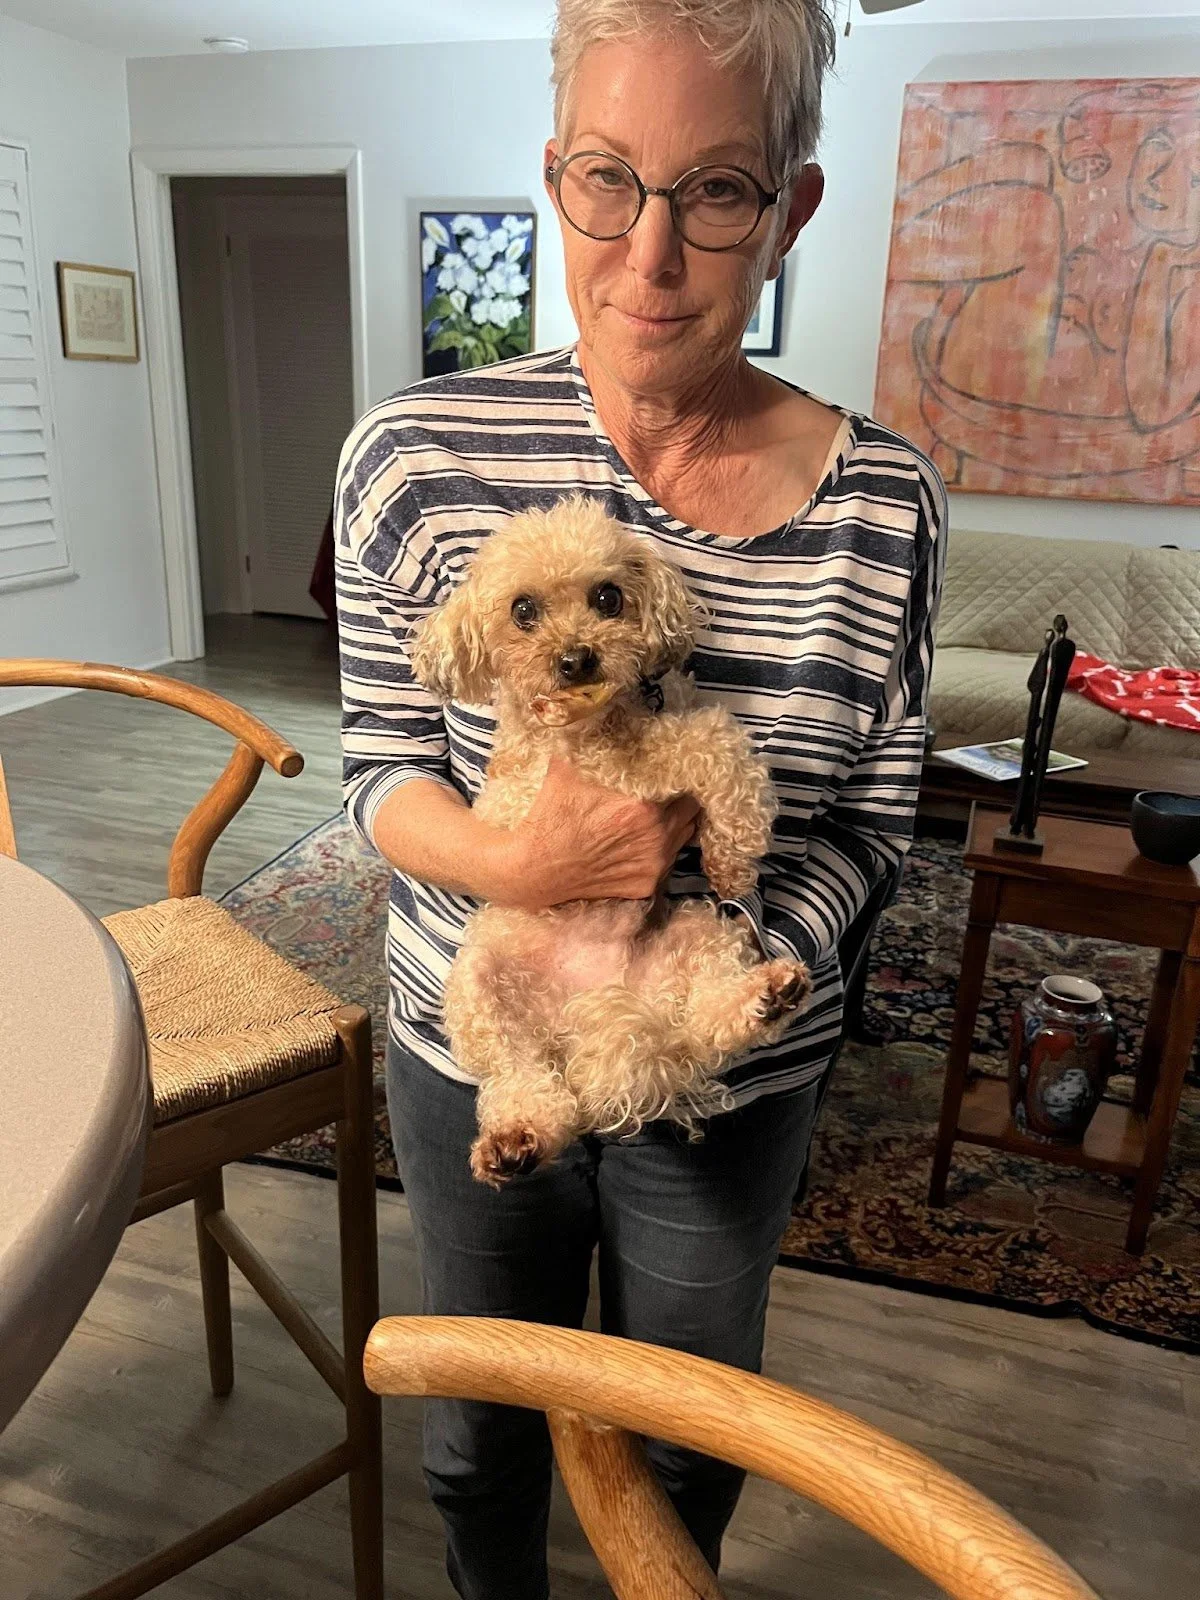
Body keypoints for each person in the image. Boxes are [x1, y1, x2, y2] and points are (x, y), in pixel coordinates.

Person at [334, 2, 945, 1594]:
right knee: (480, 1441)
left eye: (718, 188)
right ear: (555, 177)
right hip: (479, 1047)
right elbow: (380, 771)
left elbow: (877, 820)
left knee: (686, 1442)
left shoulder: (885, 504)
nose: (652, 253)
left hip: (726, 1070)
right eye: (610, 178)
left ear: (792, 204)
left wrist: (736, 959)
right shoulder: (410, 454)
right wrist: (515, 861)